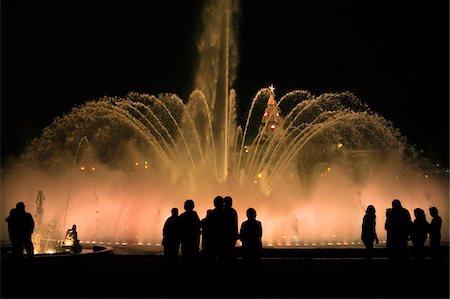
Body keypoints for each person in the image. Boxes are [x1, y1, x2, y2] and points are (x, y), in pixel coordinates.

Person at [239, 208, 263, 295]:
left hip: (246, 249)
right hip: (255, 249)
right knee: (255, 270)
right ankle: (256, 289)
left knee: (246, 270)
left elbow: (241, 236)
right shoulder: (258, 224)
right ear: (255, 215)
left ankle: (244, 289)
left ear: (247, 215)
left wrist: (245, 243)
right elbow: (260, 235)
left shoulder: (244, 224)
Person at [178, 199, 200, 269]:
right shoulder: (194, 215)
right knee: (193, 258)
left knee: (186, 258)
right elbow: (198, 225)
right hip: (193, 240)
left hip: (185, 240)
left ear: (184, 207)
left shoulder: (182, 216)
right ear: (193, 206)